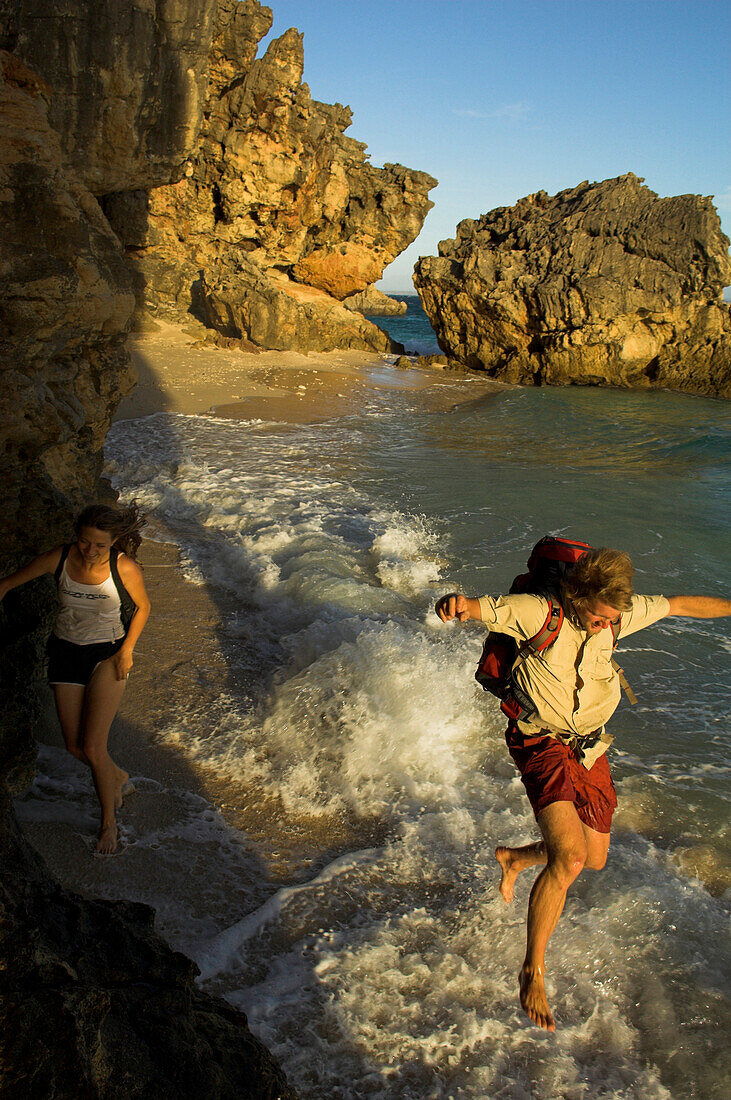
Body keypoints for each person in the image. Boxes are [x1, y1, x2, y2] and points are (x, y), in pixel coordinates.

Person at [435, 547, 731, 1032]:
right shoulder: (538, 612)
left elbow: (679, 604)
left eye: (611, 620)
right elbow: (476, 606)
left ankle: (514, 859)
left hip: (589, 749)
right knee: (569, 860)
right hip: (541, 744)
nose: (603, 627)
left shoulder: (614, 616)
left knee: (592, 858)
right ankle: (532, 970)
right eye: (597, 617)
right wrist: (454, 604)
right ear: (577, 595)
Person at [0, 502, 151, 855]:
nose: (91, 550)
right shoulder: (61, 559)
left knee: (94, 747)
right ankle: (117, 776)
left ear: (114, 542)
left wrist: (127, 651)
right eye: (85, 542)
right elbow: (7, 584)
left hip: (108, 655)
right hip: (65, 653)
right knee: (73, 746)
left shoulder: (122, 566)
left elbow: (143, 607)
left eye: (100, 544)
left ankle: (108, 826)